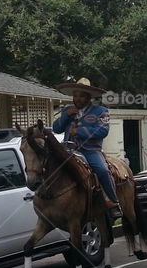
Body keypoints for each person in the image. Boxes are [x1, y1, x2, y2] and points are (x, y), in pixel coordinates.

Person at [52, 77, 123, 218]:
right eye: (75, 96)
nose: (77, 99)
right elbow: (56, 128)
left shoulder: (101, 111)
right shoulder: (67, 110)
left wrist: (78, 131)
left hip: (90, 151)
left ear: (89, 97)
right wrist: (66, 116)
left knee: (102, 170)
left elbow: (103, 131)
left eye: (81, 96)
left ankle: (114, 203)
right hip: (69, 150)